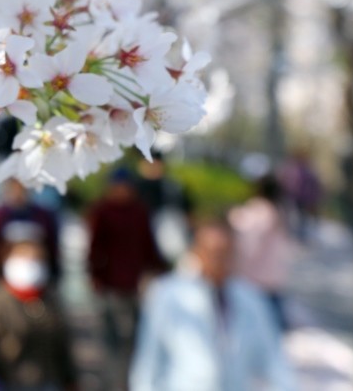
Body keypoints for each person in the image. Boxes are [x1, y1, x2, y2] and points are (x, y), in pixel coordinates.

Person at [130, 219, 296, 391]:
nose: (218, 261)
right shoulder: (169, 296)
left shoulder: (251, 299)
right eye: (212, 253)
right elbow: (148, 363)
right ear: (197, 252)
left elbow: (275, 362)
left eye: (224, 253)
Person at [0, 225, 77, 391]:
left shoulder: (50, 299)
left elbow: (63, 345)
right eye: (23, 255)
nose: (30, 262)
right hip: (7, 382)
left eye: (36, 257)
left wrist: (70, 380)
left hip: (47, 382)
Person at [86, 167, 164, 385]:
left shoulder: (139, 212)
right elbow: (94, 247)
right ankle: (111, 381)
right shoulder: (102, 211)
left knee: (135, 337)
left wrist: (158, 271)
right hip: (109, 284)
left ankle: (130, 379)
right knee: (109, 337)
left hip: (135, 284)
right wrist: (95, 275)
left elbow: (149, 246)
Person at [229, 176, 295, 330]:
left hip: (254, 282)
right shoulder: (280, 212)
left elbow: (247, 246)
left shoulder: (259, 212)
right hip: (273, 281)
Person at [0, 179, 62, 287]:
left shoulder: (42, 215)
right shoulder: (0, 215)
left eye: (22, 188)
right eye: (15, 188)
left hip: (39, 277)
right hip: (7, 277)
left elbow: (51, 245)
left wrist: (53, 272)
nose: (18, 192)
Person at [133, 149, 192, 263]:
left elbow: (188, 214)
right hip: (139, 246)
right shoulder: (133, 188)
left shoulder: (172, 188)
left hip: (167, 246)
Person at [277, 149, 322, 242]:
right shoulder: (293, 168)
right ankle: (296, 236)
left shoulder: (307, 170)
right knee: (295, 217)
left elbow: (315, 185)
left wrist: (314, 198)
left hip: (303, 197)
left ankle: (301, 237)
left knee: (302, 217)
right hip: (293, 196)